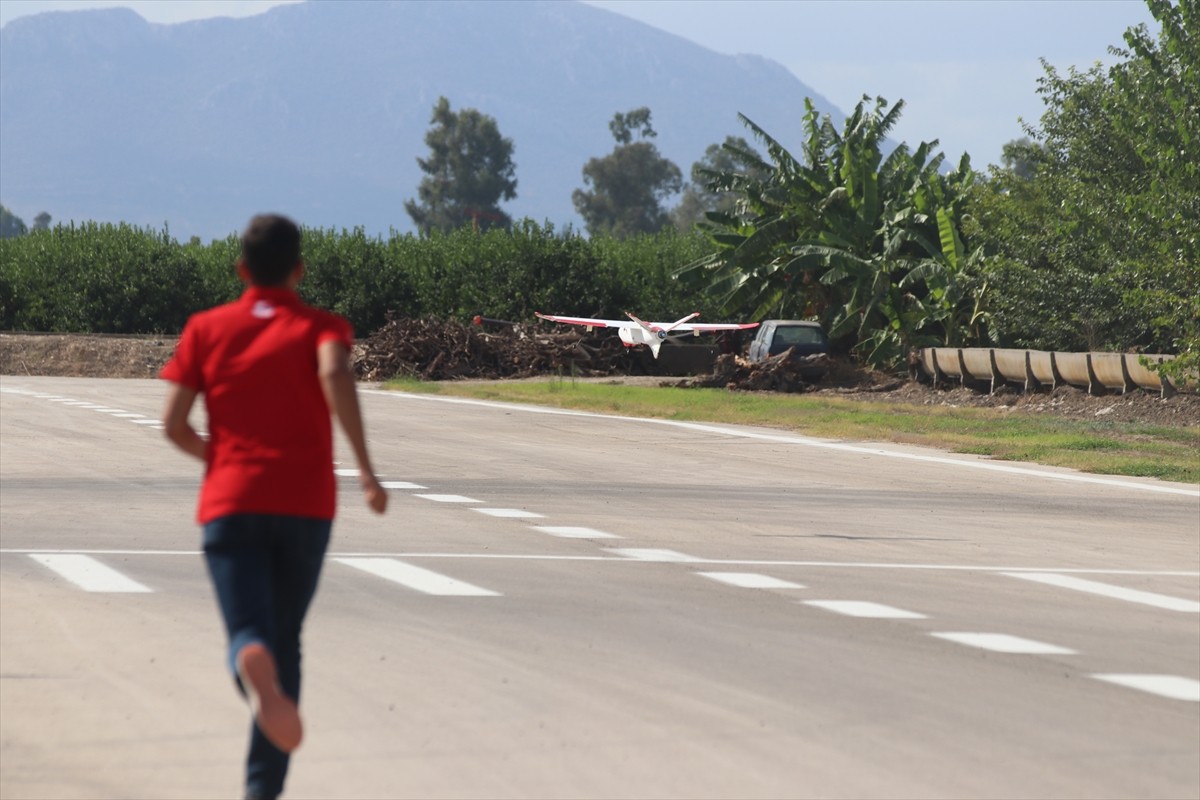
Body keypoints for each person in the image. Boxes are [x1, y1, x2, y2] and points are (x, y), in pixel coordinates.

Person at [160, 213, 387, 800]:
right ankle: (263, 791)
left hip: (231, 502)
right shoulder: (324, 326)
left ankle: (250, 660)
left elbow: (175, 426)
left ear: (241, 270)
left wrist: (222, 459)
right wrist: (365, 471)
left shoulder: (207, 327)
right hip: (306, 504)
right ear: (299, 269)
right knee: (287, 643)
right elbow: (335, 373)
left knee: (250, 636)